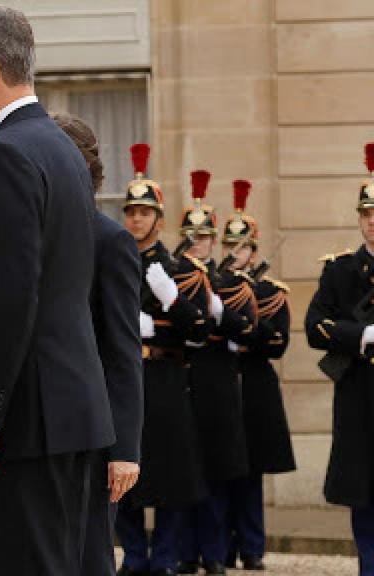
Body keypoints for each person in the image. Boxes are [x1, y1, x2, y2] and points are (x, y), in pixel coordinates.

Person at [0, 7, 114, 574]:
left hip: (29, 419)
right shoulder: (60, 146)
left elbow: (8, 301)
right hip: (73, 409)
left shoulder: (7, 154)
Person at [53, 114, 144, 576]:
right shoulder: (35, 236)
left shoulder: (111, 241)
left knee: (88, 557)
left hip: (94, 431)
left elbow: (123, 350)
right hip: (42, 430)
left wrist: (125, 449)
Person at [114, 144, 209, 576]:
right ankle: (134, 555)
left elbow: (200, 331)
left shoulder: (181, 268)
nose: (136, 218)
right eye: (131, 211)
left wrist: (170, 305)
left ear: (159, 218)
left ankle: (165, 557)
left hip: (166, 376)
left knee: (168, 473)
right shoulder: (111, 261)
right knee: (123, 471)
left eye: (145, 212)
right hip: (123, 374)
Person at [177, 172, 254, 576]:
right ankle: (186, 552)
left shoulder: (227, 281)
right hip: (184, 378)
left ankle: (215, 552)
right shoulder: (172, 276)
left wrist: (217, 310)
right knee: (185, 472)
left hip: (218, 381)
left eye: (204, 237)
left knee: (218, 473)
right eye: (191, 237)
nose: (198, 244)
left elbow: (246, 328)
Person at [305, 142, 374, 576]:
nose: (373, 223)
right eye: (367, 215)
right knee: (363, 492)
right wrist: (362, 334)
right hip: (359, 398)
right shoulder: (341, 271)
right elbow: (316, 327)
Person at [221, 179, 296, 571]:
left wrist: (243, 327)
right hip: (222, 382)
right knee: (222, 471)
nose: (236, 254)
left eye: (243, 247)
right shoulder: (212, 286)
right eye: (229, 247)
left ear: (254, 249)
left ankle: (251, 546)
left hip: (253, 385)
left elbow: (277, 344)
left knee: (250, 472)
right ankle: (220, 547)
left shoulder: (270, 291)